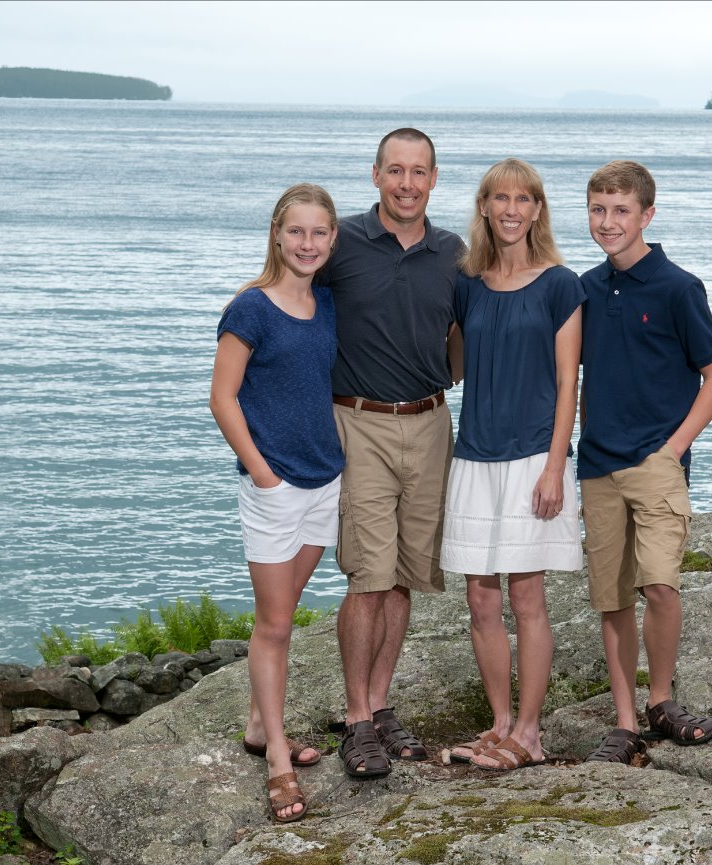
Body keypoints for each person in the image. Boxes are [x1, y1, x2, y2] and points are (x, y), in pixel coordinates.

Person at [577, 161, 712, 764]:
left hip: (656, 462)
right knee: (612, 598)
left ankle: (661, 701)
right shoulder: (584, 289)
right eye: (597, 209)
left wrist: (672, 449)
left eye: (620, 210)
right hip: (597, 466)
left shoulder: (677, 287)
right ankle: (624, 721)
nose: (608, 222)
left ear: (647, 214)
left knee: (660, 585)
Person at [325, 128, 464, 779]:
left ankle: (380, 706)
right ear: (375, 174)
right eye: (395, 171)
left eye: (419, 172)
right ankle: (355, 721)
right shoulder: (342, 242)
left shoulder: (453, 253)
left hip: (433, 421)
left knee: (405, 575)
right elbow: (286, 291)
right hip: (361, 423)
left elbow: (464, 340)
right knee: (368, 575)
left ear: (434, 178)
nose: (407, 183)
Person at [441, 158, 585, 771]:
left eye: (523, 199)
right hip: (473, 456)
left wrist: (554, 468)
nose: (510, 209)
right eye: (499, 198)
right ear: (484, 207)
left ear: (537, 210)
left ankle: (530, 732)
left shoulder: (560, 284)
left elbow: (567, 382)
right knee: (479, 599)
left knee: (527, 596)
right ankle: (499, 723)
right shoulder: (466, 284)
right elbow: (452, 369)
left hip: (534, 457)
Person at [209, 183, 343, 821]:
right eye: (297, 232)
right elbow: (222, 398)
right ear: (277, 234)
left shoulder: (329, 305)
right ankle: (278, 762)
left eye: (319, 233)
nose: (308, 244)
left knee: (285, 611)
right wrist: (263, 474)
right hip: (275, 488)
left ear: (332, 239)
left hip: (327, 480)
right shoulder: (250, 309)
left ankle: (261, 726)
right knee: (277, 624)